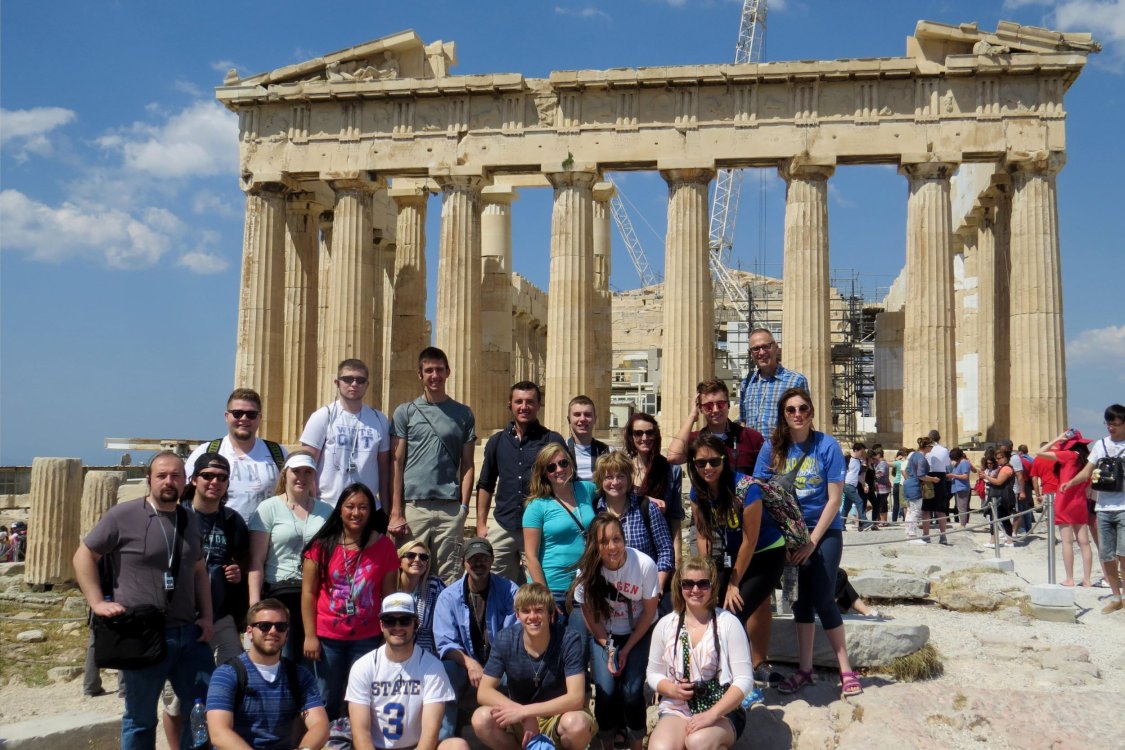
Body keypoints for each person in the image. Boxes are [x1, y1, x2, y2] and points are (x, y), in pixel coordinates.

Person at [72, 451, 215, 750]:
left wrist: (207, 616)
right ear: (149, 479)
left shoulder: (189, 519)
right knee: (140, 718)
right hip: (144, 634)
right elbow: (84, 555)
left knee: (201, 710)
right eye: (162, 475)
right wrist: (97, 602)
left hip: (189, 632)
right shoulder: (122, 516)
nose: (168, 481)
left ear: (185, 480)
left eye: (175, 475)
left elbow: (199, 570)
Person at [752, 388, 860, 699]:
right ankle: (805, 669)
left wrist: (811, 541)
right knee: (800, 601)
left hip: (823, 531)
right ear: (783, 415)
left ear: (811, 412)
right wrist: (782, 536)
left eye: (803, 408)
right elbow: (761, 489)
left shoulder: (828, 446)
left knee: (824, 596)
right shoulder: (772, 448)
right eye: (790, 410)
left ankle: (845, 669)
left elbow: (834, 500)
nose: (797, 414)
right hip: (786, 532)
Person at [162, 453, 251, 748]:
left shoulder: (232, 520)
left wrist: (236, 573)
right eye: (208, 476)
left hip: (222, 617)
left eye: (222, 478)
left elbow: (241, 562)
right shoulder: (177, 515)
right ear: (194, 479)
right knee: (176, 700)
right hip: (182, 616)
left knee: (232, 684)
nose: (215, 482)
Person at [689, 436, 784, 686]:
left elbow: (750, 540)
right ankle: (721, 673)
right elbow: (702, 534)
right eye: (700, 463)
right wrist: (707, 572)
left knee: (734, 612)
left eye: (713, 461)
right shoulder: (698, 491)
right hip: (733, 554)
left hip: (766, 554)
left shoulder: (746, 488)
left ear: (724, 460)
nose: (707, 468)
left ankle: (740, 681)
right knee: (715, 609)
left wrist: (733, 582)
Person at [301, 483, 397, 721]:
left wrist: (388, 635)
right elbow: (308, 593)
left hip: (367, 637)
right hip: (327, 638)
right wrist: (310, 635)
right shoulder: (321, 545)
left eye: (363, 507)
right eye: (350, 506)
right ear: (340, 509)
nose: (357, 513)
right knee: (326, 698)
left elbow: (389, 596)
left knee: (362, 698)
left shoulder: (384, 546)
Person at [389, 347, 477, 584]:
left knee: (449, 577)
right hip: (414, 507)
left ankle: (443, 622)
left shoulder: (463, 414)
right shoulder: (404, 412)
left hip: (449, 508)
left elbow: (468, 464)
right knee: (408, 574)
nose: (434, 375)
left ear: (448, 372)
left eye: (439, 370)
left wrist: (464, 508)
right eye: (429, 370)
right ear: (420, 374)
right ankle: (408, 621)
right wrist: (396, 511)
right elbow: (397, 463)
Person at [471, 583, 596, 750]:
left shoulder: (568, 639)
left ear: (550, 613)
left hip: (559, 716)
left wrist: (527, 712)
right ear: (517, 615)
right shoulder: (505, 639)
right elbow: (484, 691)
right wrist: (522, 714)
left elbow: (576, 698)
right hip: (519, 717)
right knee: (481, 718)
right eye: (526, 611)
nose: (532, 617)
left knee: (576, 724)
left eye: (539, 610)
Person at [645, 556, 753, 750]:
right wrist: (671, 690)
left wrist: (712, 715)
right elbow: (653, 673)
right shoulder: (666, 625)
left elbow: (744, 680)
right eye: (688, 584)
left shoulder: (728, 623)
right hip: (678, 706)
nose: (695, 590)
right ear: (679, 586)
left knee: (697, 742)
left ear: (712, 586)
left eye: (703, 584)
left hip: (721, 709)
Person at [574, 514, 660, 750]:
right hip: (606, 634)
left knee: (632, 690)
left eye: (617, 539)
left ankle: (636, 742)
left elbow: (649, 613)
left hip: (639, 630)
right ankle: (607, 743)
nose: (612, 547)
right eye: (604, 542)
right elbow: (589, 615)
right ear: (595, 545)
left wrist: (627, 649)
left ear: (624, 538)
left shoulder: (643, 565)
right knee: (605, 690)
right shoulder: (587, 573)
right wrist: (609, 647)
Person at [346, 592, 469, 750]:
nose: (397, 627)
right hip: (374, 747)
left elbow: (429, 735)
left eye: (404, 620)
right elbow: (361, 733)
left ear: (416, 624)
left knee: (457, 746)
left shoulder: (432, 667)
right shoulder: (363, 666)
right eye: (390, 621)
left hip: (416, 746)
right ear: (382, 625)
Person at [206, 599, 329, 750]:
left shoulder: (299, 676)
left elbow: (320, 725)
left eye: (280, 626)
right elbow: (219, 733)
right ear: (249, 633)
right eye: (264, 626)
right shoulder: (227, 674)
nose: (273, 631)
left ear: (287, 634)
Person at [248, 452, 334, 664]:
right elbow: (256, 561)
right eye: (296, 471)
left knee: (315, 662)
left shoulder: (327, 511)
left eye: (308, 472)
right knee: (284, 660)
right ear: (285, 474)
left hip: (316, 593)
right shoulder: (268, 508)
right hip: (281, 591)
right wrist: (254, 606)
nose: (301, 477)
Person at [476, 381, 566, 582]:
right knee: (494, 584)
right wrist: (481, 525)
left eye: (530, 402)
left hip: (539, 527)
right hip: (503, 525)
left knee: (538, 585)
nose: (524, 407)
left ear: (538, 405)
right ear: (510, 404)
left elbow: (566, 482)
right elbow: (486, 483)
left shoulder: (552, 440)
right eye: (519, 401)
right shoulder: (497, 441)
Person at [433, 538, 519, 739]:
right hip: (466, 668)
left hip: (501, 666)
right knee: (445, 672)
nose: (478, 564)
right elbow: (445, 644)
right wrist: (470, 664)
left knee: (522, 670)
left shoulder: (510, 591)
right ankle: (444, 740)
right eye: (473, 559)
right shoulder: (448, 597)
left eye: (484, 559)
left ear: (492, 561)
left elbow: (516, 634)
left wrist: (494, 667)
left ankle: (520, 734)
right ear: (464, 562)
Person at [300, 358, 392, 510]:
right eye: (348, 379)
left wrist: (387, 510)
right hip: (327, 506)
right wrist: (310, 505)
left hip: (368, 507)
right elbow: (307, 464)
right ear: (337, 383)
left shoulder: (379, 419)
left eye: (360, 380)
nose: (354, 384)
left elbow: (384, 469)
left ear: (367, 385)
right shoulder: (323, 416)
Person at [185, 388, 287, 522]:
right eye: (237, 413)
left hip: (266, 537)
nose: (244, 419)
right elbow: (185, 497)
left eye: (251, 414)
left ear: (259, 418)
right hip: (221, 535)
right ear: (226, 416)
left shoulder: (278, 453)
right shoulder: (206, 452)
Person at [522, 444, 597, 626]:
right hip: (553, 588)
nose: (559, 470)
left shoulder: (586, 490)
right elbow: (531, 556)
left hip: (583, 587)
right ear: (544, 473)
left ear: (571, 464)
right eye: (551, 467)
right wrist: (544, 596)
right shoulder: (537, 506)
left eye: (563, 463)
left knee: (580, 647)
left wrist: (647, 499)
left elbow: (616, 491)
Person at [1061, 405, 1125, 613]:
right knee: (1107, 555)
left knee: (1123, 555)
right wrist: (1070, 483)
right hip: (1104, 507)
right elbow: (1087, 471)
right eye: (1108, 424)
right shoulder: (1101, 445)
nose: (1111, 428)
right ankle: (1117, 597)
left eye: (1115, 424)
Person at [593, 451, 674, 597]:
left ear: (629, 479)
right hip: (607, 592)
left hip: (645, 590)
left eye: (621, 476)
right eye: (609, 477)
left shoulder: (646, 508)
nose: (615, 482)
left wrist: (657, 587)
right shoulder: (594, 511)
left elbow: (665, 550)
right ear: (600, 480)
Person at [623, 413, 685, 564]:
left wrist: (678, 556)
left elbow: (674, 516)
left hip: (660, 550)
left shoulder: (671, 470)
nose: (644, 438)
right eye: (638, 433)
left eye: (649, 433)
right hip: (628, 548)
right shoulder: (622, 469)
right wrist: (646, 499)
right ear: (631, 437)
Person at [668, 379, 764, 477]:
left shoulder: (751, 438)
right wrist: (692, 416)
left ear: (728, 405)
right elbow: (673, 457)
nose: (715, 410)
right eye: (708, 406)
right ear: (700, 409)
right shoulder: (696, 439)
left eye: (721, 404)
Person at [1038, 430, 1094, 586]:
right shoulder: (1086, 460)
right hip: (1079, 500)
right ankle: (1087, 580)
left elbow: (1040, 452)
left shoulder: (1068, 456)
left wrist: (1056, 439)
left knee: (1067, 542)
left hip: (1064, 501)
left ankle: (1070, 578)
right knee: (1084, 542)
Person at [737, 328, 810, 437]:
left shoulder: (795, 381)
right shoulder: (747, 383)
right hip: (754, 452)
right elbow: (744, 421)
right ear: (751, 354)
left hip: (783, 451)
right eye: (756, 349)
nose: (761, 352)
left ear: (776, 348)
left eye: (766, 346)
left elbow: (805, 420)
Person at [395, 540, 445, 656]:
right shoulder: (389, 586)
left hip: (426, 652)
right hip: (393, 647)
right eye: (411, 555)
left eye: (423, 557)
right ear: (399, 561)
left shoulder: (434, 585)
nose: (417, 560)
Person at [565, 395, 611, 481]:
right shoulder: (561, 450)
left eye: (587, 415)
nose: (582, 419)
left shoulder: (608, 452)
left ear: (595, 419)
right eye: (577, 414)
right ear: (569, 420)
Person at [904, 438, 940, 542]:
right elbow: (921, 475)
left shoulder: (913, 455)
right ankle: (912, 535)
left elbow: (906, 470)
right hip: (914, 485)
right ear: (927, 447)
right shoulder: (921, 458)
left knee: (910, 510)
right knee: (915, 511)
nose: (932, 448)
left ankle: (908, 533)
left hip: (908, 483)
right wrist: (933, 479)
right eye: (931, 446)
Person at [983, 449, 1019, 548]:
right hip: (1002, 496)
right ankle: (1008, 540)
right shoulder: (1003, 468)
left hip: (1002, 496)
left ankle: (994, 540)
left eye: (999, 458)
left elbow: (999, 482)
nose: (997, 460)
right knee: (1004, 518)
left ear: (1005, 458)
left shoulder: (1006, 469)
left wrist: (985, 476)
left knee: (995, 517)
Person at [842, 443, 869, 532]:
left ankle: (841, 525)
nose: (862, 454)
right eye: (861, 452)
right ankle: (864, 522)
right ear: (856, 450)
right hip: (847, 485)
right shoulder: (847, 459)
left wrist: (864, 484)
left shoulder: (858, 461)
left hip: (853, 486)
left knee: (847, 507)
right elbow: (842, 472)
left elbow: (858, 476)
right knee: (859, 501)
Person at [947, 448, 974, 529]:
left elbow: (965, 476)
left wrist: (954, 475)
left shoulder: (964, 463)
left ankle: (963, 524)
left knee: (962, 507)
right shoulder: (958, 463)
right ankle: (962, 523)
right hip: (957, 488)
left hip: (962, 488)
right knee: (960, 507)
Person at [872, 448, 892, 528]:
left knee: (882, 504)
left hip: (883, 487)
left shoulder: (883, 463)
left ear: (879, 455)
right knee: (880, 504)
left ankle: (883, 521)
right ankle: (881, 520)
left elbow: (881, 473)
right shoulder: (878, 463)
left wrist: (873, 476)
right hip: (879, 488)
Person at [891, 449, 907, 523]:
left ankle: (894, 520)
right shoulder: (904, 462)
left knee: (896, 503)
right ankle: (905, 518)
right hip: (902, 483)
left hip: (896, 483)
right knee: (904, 503)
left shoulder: (897, 463)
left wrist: (895, 459)